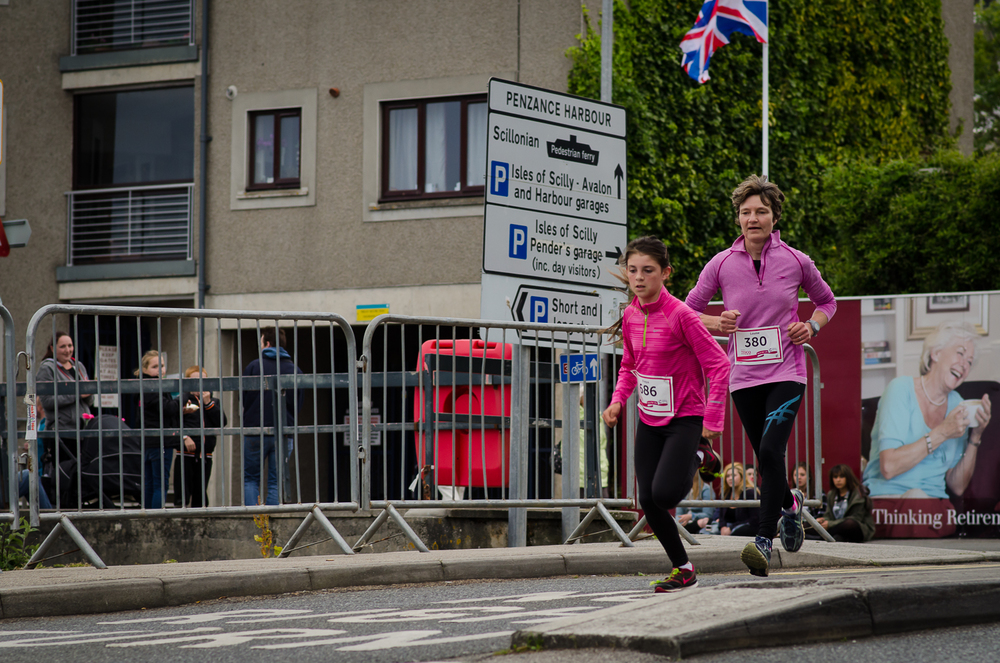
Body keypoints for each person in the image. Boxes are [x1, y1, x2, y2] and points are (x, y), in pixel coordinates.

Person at [686, 174, 837, 576]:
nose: (753, 218)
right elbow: (689, 311)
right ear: (738, 218)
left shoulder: (796, 260)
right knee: (767, 458)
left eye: (761, 212)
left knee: (771, 452)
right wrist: (715, 323)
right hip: (744, 377)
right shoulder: (720, 264)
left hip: (787, 370)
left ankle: (763, 541)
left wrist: (812, 326)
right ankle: (790, 506)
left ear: (774, 217)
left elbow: (826, 301)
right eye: (745, 212)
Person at [602, 236, 730, 593]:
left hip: (685, 416)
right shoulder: (629, 315)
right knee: (649, 501)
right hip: (649, 416)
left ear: (665, 273)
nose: (639, 278)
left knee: (667, 495)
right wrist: (617, 401)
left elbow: (719, 364)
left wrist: (713, 420)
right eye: (632, 270)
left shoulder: (681, 315)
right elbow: (629, 365)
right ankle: (683, 568)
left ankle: (701, 453)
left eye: (648, 270)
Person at [862, 321, 992, 499]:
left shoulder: (959, 406)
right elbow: (888, 468)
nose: (964, 365)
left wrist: (976, 436)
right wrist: (943, 432)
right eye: (960, 353)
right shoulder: (900, 390)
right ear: (936, 353)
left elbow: (957, 486)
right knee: (916, 497)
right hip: (888, 500)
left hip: (933, 508)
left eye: (969, 362)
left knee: (922, 502)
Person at [243, 327, 304, 506]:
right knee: (276, 481)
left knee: (251, 479)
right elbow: (298, 404)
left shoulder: (254, 366)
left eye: (261, 342)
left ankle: (253, 521)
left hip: (256, 430)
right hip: (284, 431)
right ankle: (271, 523)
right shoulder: (295, 370)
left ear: (267, 343)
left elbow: (244, 398)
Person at [135, 350, 195, 509]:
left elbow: (160, 411)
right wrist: (184, 395)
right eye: (155, 366)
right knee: (159, 484)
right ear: (145, 369)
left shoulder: (146, 384)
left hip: (150, 441)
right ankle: (155, 519)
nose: (160, 369)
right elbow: (167, 408)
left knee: (150, 483)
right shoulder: (152, 385)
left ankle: (146, 518)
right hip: (159, 442)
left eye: (162, 365)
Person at [173, 366, 226, 508]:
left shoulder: (213, 401)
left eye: (202, 380)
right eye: (194, 380)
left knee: (200, 493)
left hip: (205, 454)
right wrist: (184, 437)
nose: (199, 384)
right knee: (182, 492)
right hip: (185, 453)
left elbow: (222, 422)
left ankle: (201, 519)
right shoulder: (182, 400)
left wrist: (208, 404)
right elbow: (173, 422)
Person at [35, 331, 93, 447]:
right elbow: (47, 402)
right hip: (60, 432)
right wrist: (77, 394)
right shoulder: (47, 369)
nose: (67, 350)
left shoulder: (79, 366)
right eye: (62, 347)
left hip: (83, 430)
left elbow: (89, 401)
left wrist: (89, 394)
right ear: (52, 348)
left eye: (70, 346)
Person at [817, 464, 875, 542]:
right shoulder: (831, 494)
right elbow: (828, 515)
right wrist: (823, 520)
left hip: (857, 529)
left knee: (850, 524)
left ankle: (820, 536)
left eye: (841, 476)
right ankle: (831, 536)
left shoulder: (858, 493)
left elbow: (856, 518)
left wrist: (830, 524)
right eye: (835, 477)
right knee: (808, 525)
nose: (838, 480)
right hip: (836, 527)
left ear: (848, 477)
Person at [19, 401, 53, 510]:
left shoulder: (42, 425)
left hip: (38, 465)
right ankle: (50, 520)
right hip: (37, 465)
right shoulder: (41, 424)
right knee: (30, 476)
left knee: (30, 476)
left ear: (39, 408)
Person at [719, 462, 759, 536]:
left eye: (733, 475)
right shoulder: (725, 494)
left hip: (746, 527)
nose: (730, 478)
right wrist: (722, 527)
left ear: (742, 477)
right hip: (727, 528)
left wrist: (730, 528)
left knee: (736, 532)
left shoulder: (750, 493)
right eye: (728, 476)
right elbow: (721, 517)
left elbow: (754, 519)